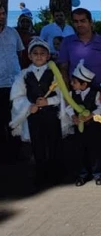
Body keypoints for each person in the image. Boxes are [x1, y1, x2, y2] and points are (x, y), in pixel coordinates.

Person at [9, 37, 67, 185]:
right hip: (34, 116)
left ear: (48, 55)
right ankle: (41, 174)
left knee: (54, 143)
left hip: (51, 115)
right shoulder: (24, 74)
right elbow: (17, 96)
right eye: (35, 53)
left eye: (43, 53)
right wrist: (29, 106)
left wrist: (49, 101)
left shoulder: (54, 73)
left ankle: (56, 173)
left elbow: (62, 94)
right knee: (38, 145)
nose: (39, 56)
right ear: (30, 56)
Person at [57, 8, 101, 102]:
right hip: (76, 92)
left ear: (90, 22)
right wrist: (66, 91)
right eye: (76, 21)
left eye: (83, 21)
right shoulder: (67, 42)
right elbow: (63, 67)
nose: (79, 24)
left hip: (100, 93)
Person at [65, 60, 101, 186]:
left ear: (84, 83)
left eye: (75, 82)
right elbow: (68, 107)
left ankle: (98, 173)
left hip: (93, 128)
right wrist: (73, 116)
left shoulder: (96, 94)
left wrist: (90, 116)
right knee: (79, 151)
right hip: (78, 128)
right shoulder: (72, 94)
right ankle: (82, 174)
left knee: (95, 151)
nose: (72, 84)